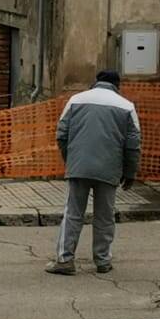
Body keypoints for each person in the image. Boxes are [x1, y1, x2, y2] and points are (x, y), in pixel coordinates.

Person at [46, 70, 141, 276]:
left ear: (95, 82)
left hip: (79, 167)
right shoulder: (126, 106)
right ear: (117, 85)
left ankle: (65, 260)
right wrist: (130, 173)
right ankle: (103, 261)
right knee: (105, 216)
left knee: (73, 214)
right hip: (109, 169)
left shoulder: (75, 100)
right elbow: (133, 146)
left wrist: (70, 161)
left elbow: (61, 134)